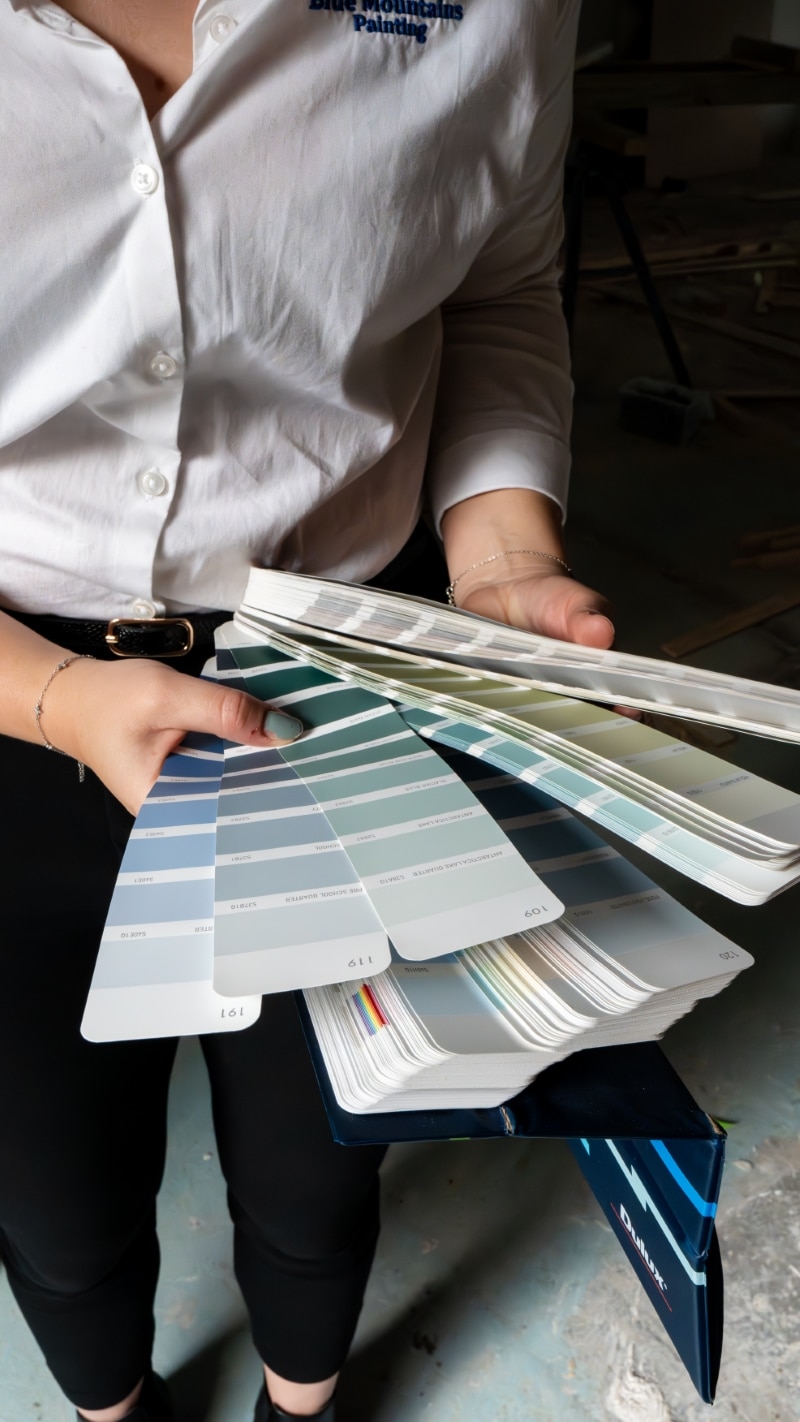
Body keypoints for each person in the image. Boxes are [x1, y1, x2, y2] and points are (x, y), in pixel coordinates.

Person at [0, 2, 616, 1419]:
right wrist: (48, 694)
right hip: (8, 707)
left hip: (328, 687)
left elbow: (502, 289)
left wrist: (504, 549)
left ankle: (304, 1406)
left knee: (316, 1156)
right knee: (51, 1194)